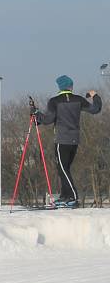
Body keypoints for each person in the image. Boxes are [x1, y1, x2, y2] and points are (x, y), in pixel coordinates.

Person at [34, 75, 102, 208]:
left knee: (63, 169)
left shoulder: (54, 101)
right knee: (63, 169)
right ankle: (65, 196)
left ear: (59, 87)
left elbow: (47, 120)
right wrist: (95, 96)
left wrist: (37, 114)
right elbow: (95, 109)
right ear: (70, 86)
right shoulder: (78, 99)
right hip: (74, 140)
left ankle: (73, 197)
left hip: (61, 140)